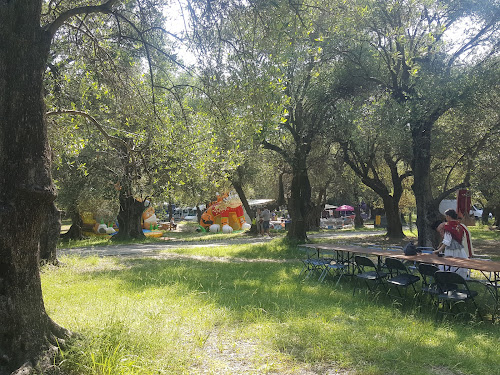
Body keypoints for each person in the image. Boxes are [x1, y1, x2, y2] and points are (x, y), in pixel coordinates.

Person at [433, 209, 469, 278]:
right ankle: (460, 279)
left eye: (446, 216)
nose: (445, 218)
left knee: (450, 265)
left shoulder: (448, 226)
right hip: (459, 249)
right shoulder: (459, 226)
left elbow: (447, 241)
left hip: (451, 250)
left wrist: (438, 250)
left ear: (448, 216)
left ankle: (450, 279)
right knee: (459, 264)